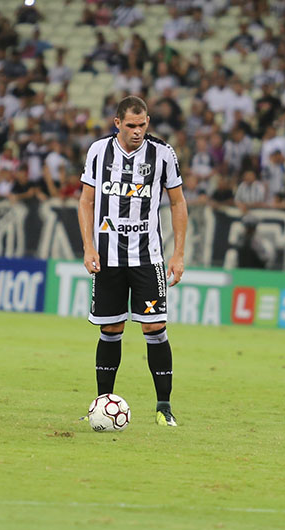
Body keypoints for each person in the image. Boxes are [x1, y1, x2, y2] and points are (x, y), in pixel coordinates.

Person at [78, 96, 187, 427]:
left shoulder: (163, 153)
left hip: (147, 257)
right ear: (117, 123)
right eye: (131, 125)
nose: (138, 132)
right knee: (111, 328)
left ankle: (164, 406)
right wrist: (88, 247)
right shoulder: (98, 151)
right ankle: (101, 404)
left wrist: (178, 253)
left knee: (154, 328)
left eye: (142, 125)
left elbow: (178, 203)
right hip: (108, 258)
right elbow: (86, 201)